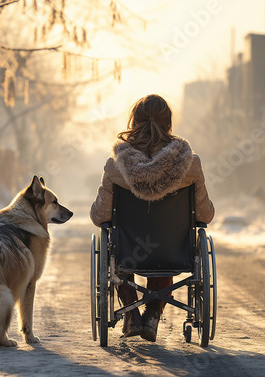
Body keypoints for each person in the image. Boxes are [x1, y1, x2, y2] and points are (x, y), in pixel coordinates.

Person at [90, 94, 215, 341]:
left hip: (129, 253)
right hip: (173, 253)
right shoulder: (190, 164)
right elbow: (205, 215)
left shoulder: (116, 166)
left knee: (116, 242)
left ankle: (132, 314)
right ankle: (153, 315)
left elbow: (100, 216)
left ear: (134, 122)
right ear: (168, 122)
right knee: (167, 238)